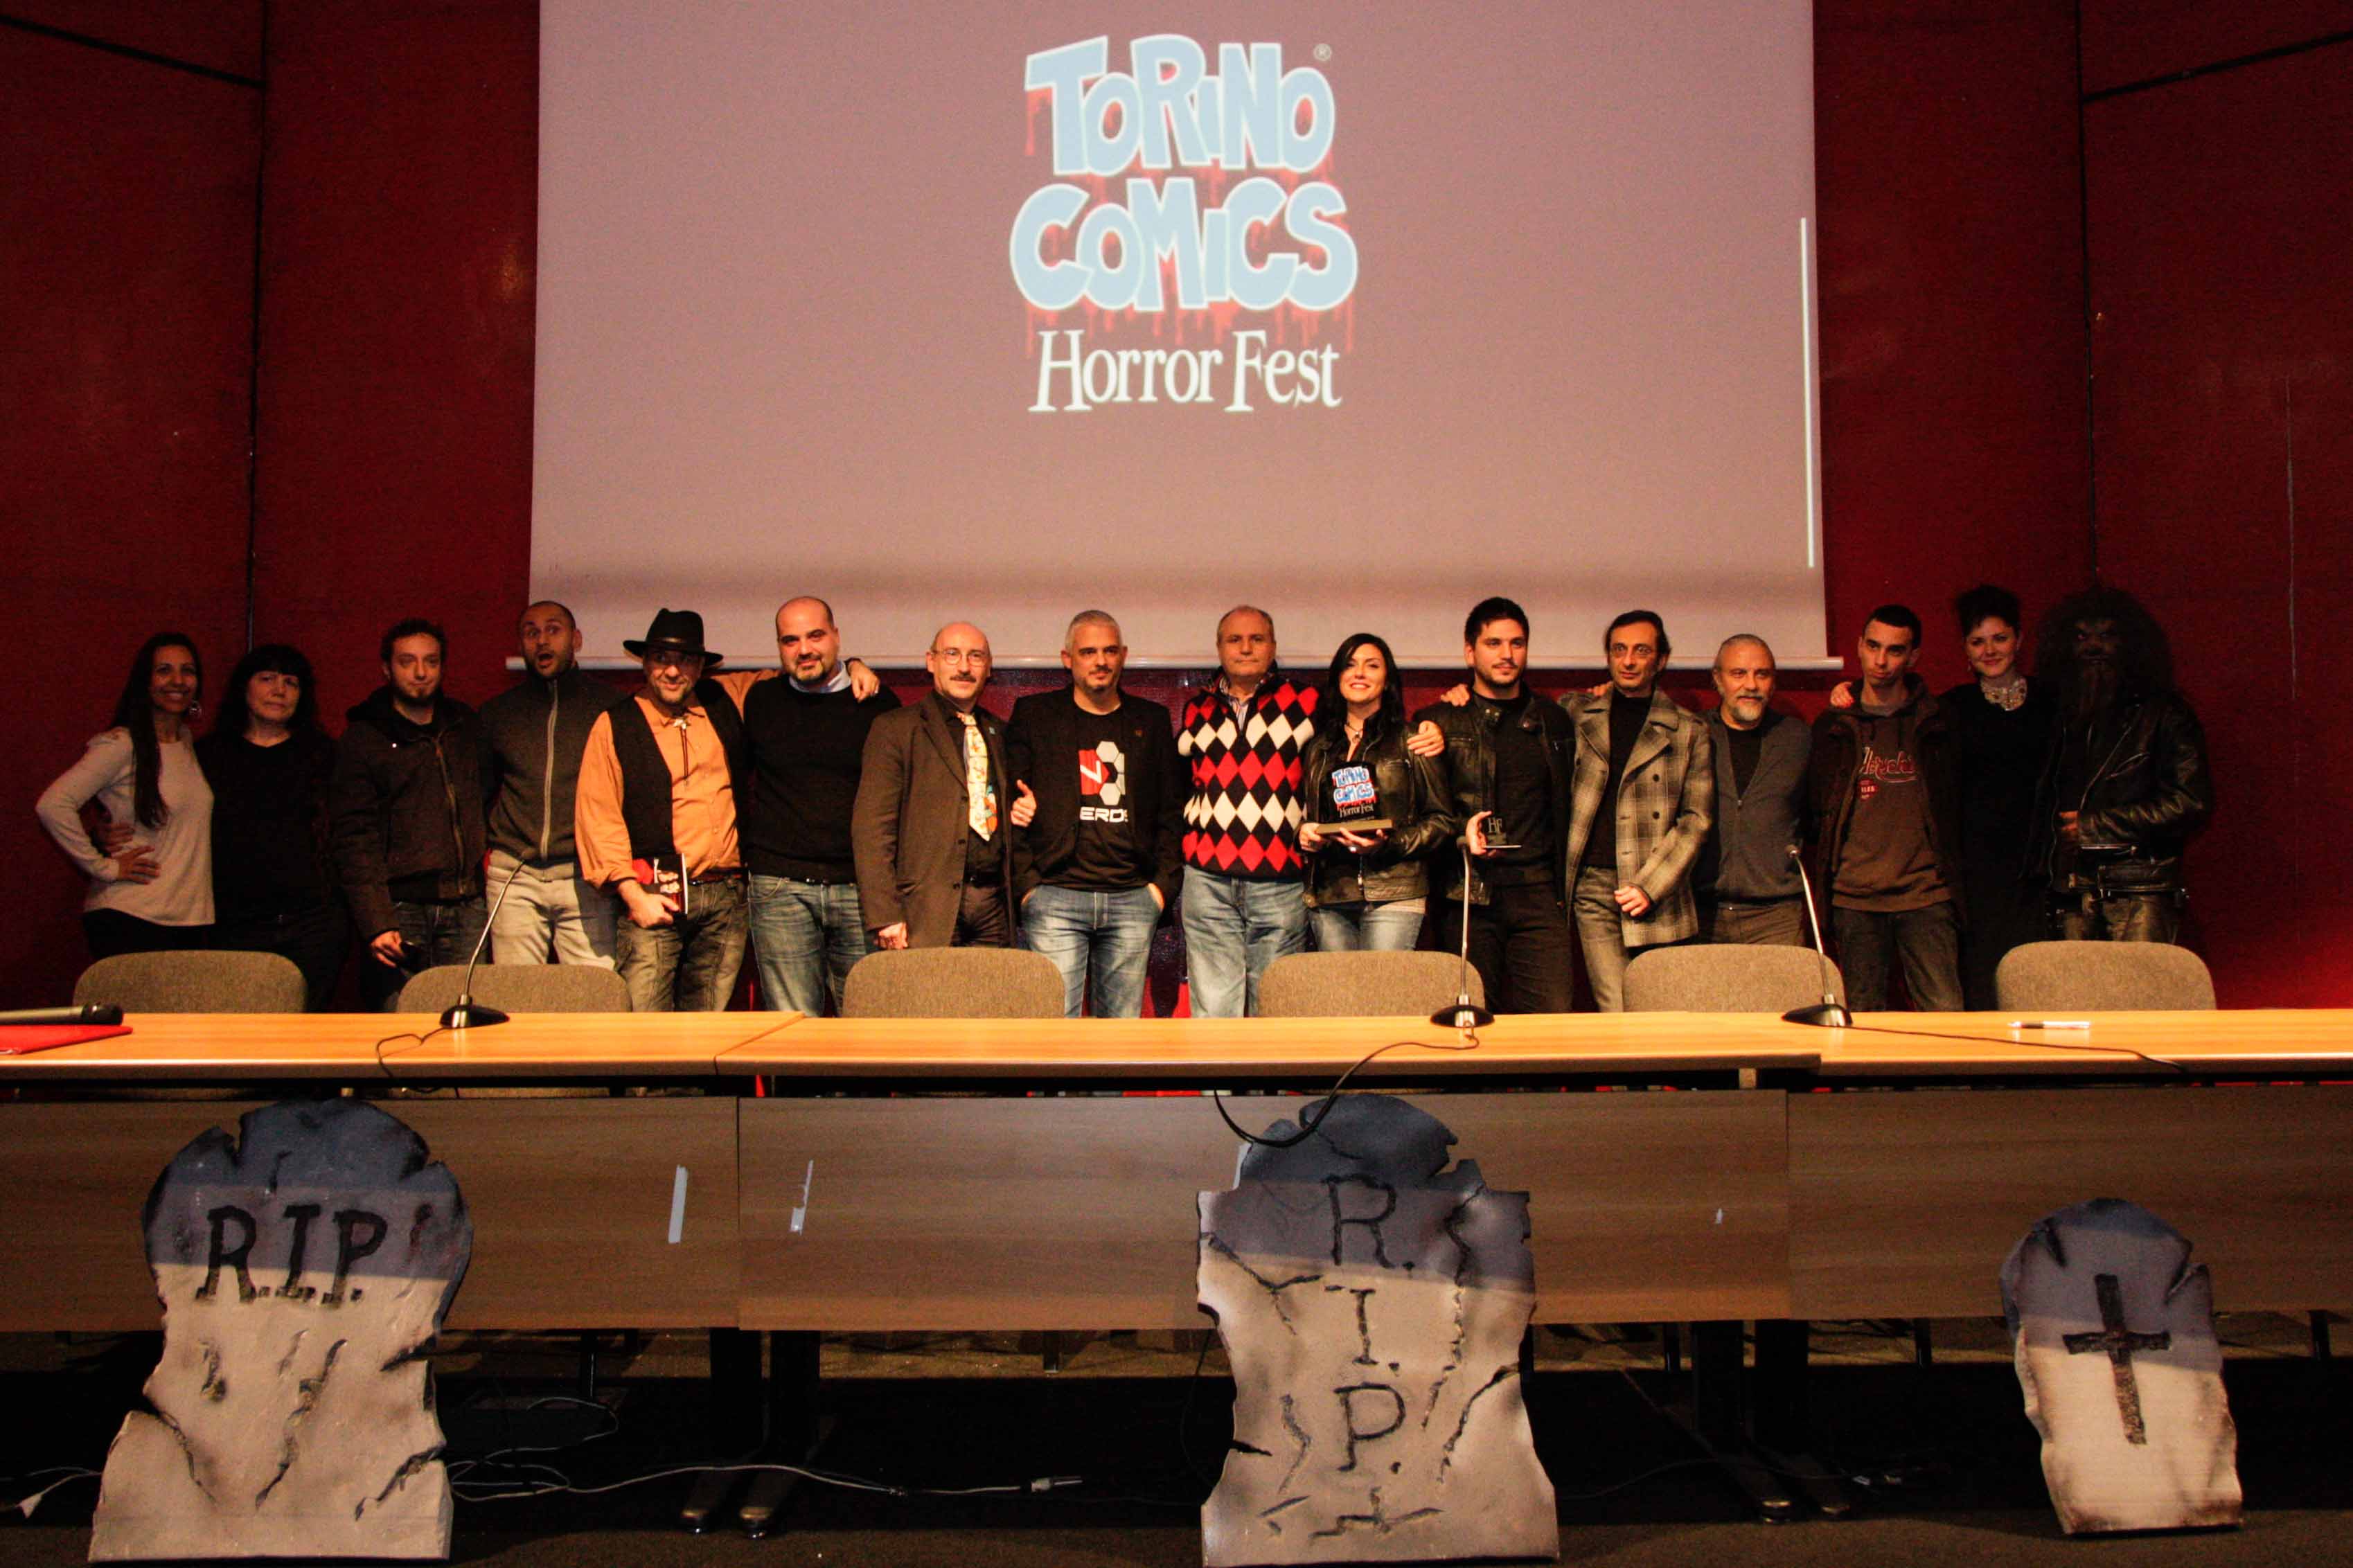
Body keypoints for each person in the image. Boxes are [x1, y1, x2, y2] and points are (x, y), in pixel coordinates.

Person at [1009, 611, 1185, 1017]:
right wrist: (1028, 887)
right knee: (1055, 1031)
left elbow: (1171, 811)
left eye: (1109, 651)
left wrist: (1160, 889)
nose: (1100, 661)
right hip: (1054, 897)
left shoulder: (1151, 720)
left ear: (1123, 655)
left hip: (1133, 898)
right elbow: (1008, 802)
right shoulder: (1035, 716)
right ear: (1067, 659)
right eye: (1088, 652)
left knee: (1118, 1040)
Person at [573, 609, 750, 1012]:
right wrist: (632, 894)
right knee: (644, 1021)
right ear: (644, 663)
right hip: (653, 895)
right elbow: (598, 815)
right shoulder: (616, 723)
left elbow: (790, 676)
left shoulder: (723, 702)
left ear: (701, 667)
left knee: (709, 1028)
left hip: (725, 897)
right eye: (660, 659)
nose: (672, 671)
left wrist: (853, 667)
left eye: (684, 660)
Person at [1415, 598, 1576, 1013]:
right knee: (1473, 1020)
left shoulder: (1555, 719)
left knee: (1553, 1018)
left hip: (1540, 892)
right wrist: (1460, 834)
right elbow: (1421, 810)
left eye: (1517, 643)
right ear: (1470, 652)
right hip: (1468, 892)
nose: (1507, 654)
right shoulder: (1439, 720)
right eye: (1494, 643)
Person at [743, 596, 902, 1013]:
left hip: (858, 887)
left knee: (867, 1020)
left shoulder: (877, 704)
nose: (804, 649)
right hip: (779, 888)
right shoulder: (759, 700)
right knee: (792, 1026)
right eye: (790, 640)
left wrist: (856, 665)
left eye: (815, 636)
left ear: (836, 637)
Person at [2029, 587, 2210, 944]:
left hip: (2139, 890)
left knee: (2138, 983)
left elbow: (2191, 802)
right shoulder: (2054, 716)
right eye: (2082, 637)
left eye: (2107, 635)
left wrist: (2093, 827)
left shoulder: (2165, 714)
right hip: (2071, 892)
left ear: (2131, 644)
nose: (2094, 647)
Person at [1806, 605, 1963, 1011]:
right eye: (1873, 646)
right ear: (1859, 646)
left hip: (1926, 894)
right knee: (1864, 1020)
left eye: (1895, 650)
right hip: (1855, 896)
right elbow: (1816, 808)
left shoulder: (1938, 721)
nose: (1881, 660)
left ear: (1913, 657)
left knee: (1945, 1014)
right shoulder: (1834, 724)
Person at [331, 618, 488, 1010]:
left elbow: (486, 796)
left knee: (465, 1023)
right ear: (387, 668)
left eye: (431, 661)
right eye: (407, 662)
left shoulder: (466, 727)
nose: (420, 672)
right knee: (399, 1023)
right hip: (398, 909)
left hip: (466, 904)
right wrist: (376, 921)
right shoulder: (365, 738)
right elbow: (353, 837)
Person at [1559, 610, 1713, 1009]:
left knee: (1661, 1011)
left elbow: (1695, 820)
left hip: (1657, 884)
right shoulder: (1578, 714)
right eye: (1619, 650)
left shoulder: (1688, 730)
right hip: (1594, 885)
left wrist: (1650, 886)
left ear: (1661, 659)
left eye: (1641, 651)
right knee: (1616, 1009)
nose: (1628, 661)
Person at [37, 633, 215, 959]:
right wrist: (104, 868)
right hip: (132, 916)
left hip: (186, 919)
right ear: (145, 681)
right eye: (164, 670)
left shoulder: (186, 741)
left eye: (188, 671)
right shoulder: (122, 744)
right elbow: (53, 805)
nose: (178, 681)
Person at [1175, 607, 1315, 1015]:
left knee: (1273, 1008)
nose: (1246, 648)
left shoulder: (1309, 702)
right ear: (1220, 648)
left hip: (1281, 880)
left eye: (1257, 639)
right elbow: (1179, 787)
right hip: (1207, 880)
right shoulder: (1196, 709)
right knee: (1214, 1011)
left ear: (1273, 647)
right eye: (1234, 640)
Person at [477, 600, 628, 968]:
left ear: (576, 640)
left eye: (553, 630)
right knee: (515, 994)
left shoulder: (613, 708)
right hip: (515, 875)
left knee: (595, 993)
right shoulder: (497, 713)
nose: (542, 640)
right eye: (531, 633)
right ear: (521, 644)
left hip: (586, 875)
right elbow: (479, 791)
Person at [197, 644, 347, 1008]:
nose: (279, 691)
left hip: (312, 920)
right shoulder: (207, 755)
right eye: (267, 679)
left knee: (306, 1024)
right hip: (233, 920)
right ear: (244, 687)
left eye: (291, 683)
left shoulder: (324, 754)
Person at [850, 621, 1014, 950]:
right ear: (931, 661)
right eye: (952, 654)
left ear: (989, 667)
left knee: (993, 988)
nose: (964, 667)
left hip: (992, 907)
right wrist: (885, 914)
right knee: (930, 988)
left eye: (975, 656)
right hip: (925, 909)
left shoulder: (1000, 732)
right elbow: (872, 828)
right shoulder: (895, 729)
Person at [1296, 634, 1455, 951]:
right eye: (1350, 665)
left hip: (1395, 892)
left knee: (1382, 985)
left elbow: (1442, 822)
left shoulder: (1413, 739)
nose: (1359, 673)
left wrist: (1388, 844)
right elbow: (1307, 816)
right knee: (1338, 987)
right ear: (1337, 677)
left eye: (1372, 666)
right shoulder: (1318, 747)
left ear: (1387, 680)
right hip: (1330, 895)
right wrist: (1304, 835)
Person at [1942, 585, 2059, 1001]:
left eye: (2000, 638)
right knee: (1984, 982)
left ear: (2019, 640)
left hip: (2041, 867)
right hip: (1978, 872)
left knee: (2041, 983)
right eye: (1978, 642)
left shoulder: (2053, 700)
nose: (1989, 651)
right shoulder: (1951, 708)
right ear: (1965, 649)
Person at [1696, 634, 1809, 945]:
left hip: (1776, 917)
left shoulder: (1797, 739)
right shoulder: (1693, 733)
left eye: (1762, 674)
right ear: (1717, 679)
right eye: (1739, 674)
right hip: (1701, 915)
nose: (1751, 685)